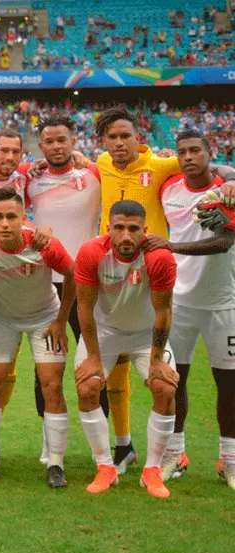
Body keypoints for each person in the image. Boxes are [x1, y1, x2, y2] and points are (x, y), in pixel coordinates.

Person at [0, 188, 77, 488]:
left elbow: (73, 274)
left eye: (11, 216)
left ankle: (55, 463)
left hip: (44, 319)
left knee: (52, 385)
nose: (4, 223)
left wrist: (61, 321)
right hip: (1, 320)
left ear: (23, 218)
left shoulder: (42, 244)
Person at [145, 130, 235, 488]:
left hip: (223, 303)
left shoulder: (227, 191)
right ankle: (174, 453)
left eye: (196, 150)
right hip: (177, 301)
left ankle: (229, 459)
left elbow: (224, 242)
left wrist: (171, 246)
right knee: (172, 380)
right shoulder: (168, 189)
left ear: (210, 153)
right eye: (182, 151)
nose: (188, 156)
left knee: (228, 385)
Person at [74, 200, 179, 498]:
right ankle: (105, 467)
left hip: (146, 333)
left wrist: (157, 360)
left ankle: (152, 470)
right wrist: (93, 357)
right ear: (107, 228)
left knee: (165, 388)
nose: (126, 236)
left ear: (145, 231)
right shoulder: (91, 252)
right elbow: (84, 305)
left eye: (134, 229)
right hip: (105, 332)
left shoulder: (159, 257)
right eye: (119, 228)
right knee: (86, 388)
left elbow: (164, 311)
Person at [27, 114, 104, 464]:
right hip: (46, 285)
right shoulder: (30, 179)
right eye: (50, 142)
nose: (57, 146)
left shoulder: (93, 174)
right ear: (42, 146)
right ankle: (49, 441)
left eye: (63, 140)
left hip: (89, 283)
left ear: (73, 141)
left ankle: (102, 448)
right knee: (46, 368)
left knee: (94, 362)